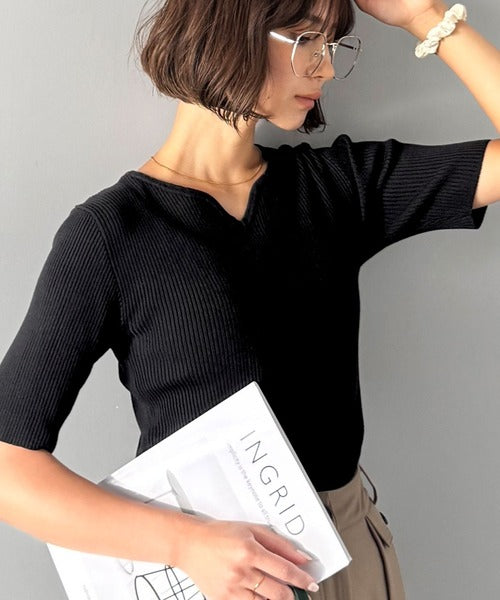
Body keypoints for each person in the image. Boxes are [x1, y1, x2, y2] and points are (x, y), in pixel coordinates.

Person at [0, 0, 498, 599]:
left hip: (349, 552)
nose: (326, 68)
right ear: (230, 29)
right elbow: (9, 467)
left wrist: (425, 16)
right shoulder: (112, 233)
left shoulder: (337, 189)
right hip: (217, 575)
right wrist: (185, 544)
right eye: (304, 39)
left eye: (331, 44)